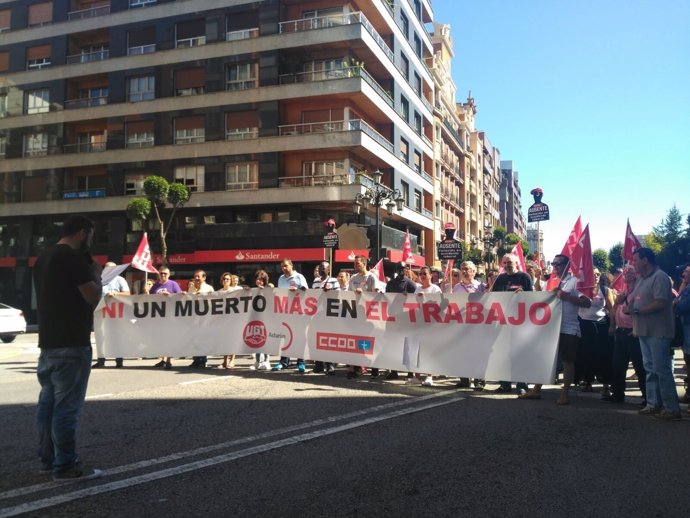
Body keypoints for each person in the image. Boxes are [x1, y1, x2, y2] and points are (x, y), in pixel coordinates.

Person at [33, 215, 103, 481]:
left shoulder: (44, 257)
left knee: (48, 405)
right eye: (91, 235)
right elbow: (92, 297)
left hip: (48, 342)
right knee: (66, 408)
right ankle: (65, 466)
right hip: (72, 342)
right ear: (83, 233)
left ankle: (46, 460)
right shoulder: (73, 259)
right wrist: (97, 274)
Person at [519, 254, 591, 405]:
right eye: (554, 263)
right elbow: (539, 297)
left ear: (567, 265)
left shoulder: (575, 282)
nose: (556, 266)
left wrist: (567, 297)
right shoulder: (552, 282)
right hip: (550, 328)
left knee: (567, 362)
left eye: (559, 264)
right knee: (544, 358)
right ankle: (536, 389)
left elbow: (587, 303)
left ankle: (564, 394)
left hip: (568, 328)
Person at [628, 248, 681, 420]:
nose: (633, 264)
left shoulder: (660, 277)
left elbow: (660, 303)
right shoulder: (641, 279)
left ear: (645, 260)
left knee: (661, 369)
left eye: (635, 260)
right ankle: (653, 404)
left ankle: (671, 408)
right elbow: (634, 300)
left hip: (658, 331)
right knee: (650, 369)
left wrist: (639, 310)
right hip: (644, 330)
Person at [491, 253, 533, 394]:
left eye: (510, 262)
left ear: (516, 263)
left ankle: (522, 385)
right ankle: (505, 384)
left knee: (519, 354)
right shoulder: (500, 279)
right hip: (502, 322)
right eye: (505, 262)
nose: (508, 265)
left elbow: (533, 298)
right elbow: (494, 297)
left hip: (520, 322)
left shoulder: (524, 277)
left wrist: (524, 294)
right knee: (503, 353)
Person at [606, 266, 647, 405]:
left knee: (640, 366)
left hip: (633, 333)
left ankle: (648, 397)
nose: (627, 274)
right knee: (617, 365)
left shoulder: (638, 291)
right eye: (626, 272)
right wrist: (617, 302)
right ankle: (617, 394)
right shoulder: (624, 291)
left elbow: (640, 310)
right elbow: (614, 309)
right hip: (621, 331)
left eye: (631, 272)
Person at [576, 268, 616, 396]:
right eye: (593, 274)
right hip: (584, 324)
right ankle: (588, 382)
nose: (596, 276)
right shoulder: (580, 290)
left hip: (601, 325)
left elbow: (612, 309)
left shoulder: (605, 290)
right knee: (586, 354)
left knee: (603, 355)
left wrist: (612, 325)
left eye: (598, 274)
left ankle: (606, 384)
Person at [453, 261, 487, 390]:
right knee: (462, 352)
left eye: (467, 269)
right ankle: (464, 379)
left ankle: (479, 380)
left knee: (478, 353)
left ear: (474, 271)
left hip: (477, 325)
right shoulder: (456, 288)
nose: (465, 271)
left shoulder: (481, 287)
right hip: (461, 325)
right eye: (463, 269)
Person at [273, 259, 308, 373]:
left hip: (298, 313)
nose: (284, 268)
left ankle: (301, 363)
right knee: (285, 337)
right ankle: (283, 362)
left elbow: (306, 292)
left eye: (286, 266)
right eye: (282, 266)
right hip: (285, 313)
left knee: (299, 337)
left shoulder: (299, 277)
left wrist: (297, 290)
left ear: (291, 265)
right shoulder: (281, 278)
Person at [93, 261, 130, 368]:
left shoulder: (120, 280)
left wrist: (115, 294)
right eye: (107, 268)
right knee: (101, 335)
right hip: (101, 312)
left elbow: (127, 294)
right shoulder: (100, 279)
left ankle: (119, 360)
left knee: (116, 335)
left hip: (116, 314)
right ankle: (101, 360)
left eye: (112, 269)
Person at [384, 263, 418, 380]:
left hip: (406, 318)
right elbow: (385, 298)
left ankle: (410, 372)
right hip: (393, 317)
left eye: (403, 269)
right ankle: (393, 370)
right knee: (393, 344)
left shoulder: (410, 283)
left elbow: (416, 298)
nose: (401, 271)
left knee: (407, 345)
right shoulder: (390, 283)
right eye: (399, 269)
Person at [347, 255, 378, 379]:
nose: (355, 265)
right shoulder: (353, 278)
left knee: (370, 341)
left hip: (369, 314)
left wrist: (364, 294)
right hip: (355, 314)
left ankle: (374, 367)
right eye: (354, 263)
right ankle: (357, 367)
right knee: (356, 340)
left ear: (364, 264)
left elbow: (376, 295)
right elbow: (348, 293)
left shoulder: (371, 277)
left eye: (357, 263)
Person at [413, 266, 442, 386]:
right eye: (420, 274)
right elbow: (413, 304)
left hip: (431, 324)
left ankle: (429, 376)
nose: (422, 276)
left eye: (425, 273)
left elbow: (440, 305)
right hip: (418, 323)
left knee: (429, 350)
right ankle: (417, 377)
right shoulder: (417, 288)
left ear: (431, 275)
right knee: (418, 350)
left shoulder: (435, 289)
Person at [150, 266, 182, 369]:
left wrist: (170, 295)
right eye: (161, 273)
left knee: (169, 338)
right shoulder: (155, 286)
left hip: (170, 316)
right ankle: (163, 359)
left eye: (165, 273)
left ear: (169, 275)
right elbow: (149, 300)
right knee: (161, 339)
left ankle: (169, 360)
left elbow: (180, 297)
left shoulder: (173, 284)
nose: (163, 275)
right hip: (159, 317)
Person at [312, 261, 338, 374]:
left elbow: (339, 295)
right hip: (318, 315)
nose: (322, 269)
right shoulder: (315, 281)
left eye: (324, 268)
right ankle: (318, 364)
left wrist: (330, 292)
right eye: (321, 267)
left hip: (330, 315)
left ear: (329, 270)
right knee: (317, 339)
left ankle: (330, 365)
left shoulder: (334, 281)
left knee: (329, 340)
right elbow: (312, 296)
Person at [187, 269, 214, 368]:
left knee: (203, 339)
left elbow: (213, 302)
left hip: (204, 318)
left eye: (199, 276)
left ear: (204, 277)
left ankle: (203, 360)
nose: (197, 278)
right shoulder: (191, 288)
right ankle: (196, 360)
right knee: (195, 339)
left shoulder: (209, 288)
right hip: (194, 318)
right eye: (195, 276)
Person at [216, 272, 243, 369]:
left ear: (230, 281)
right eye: (224, 279)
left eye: (227, 279)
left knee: (232, 340)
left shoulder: (235, 291)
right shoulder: (219, 292)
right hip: (223, 319)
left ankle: (232, 360)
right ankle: (224, 361)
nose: (226, 281)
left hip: (233, 319)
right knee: (224, 341)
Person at [249, 270, 273, 370]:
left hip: (267, 318)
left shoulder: (269, 288)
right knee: (257, 339)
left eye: (261, 280)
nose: (259, 282)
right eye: (257, 279)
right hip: (256, 318)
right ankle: (258, 361)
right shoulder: (253, 290)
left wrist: (265, 290)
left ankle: (267, 361)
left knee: (265, 339)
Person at [674, 263, 690, 410]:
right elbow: (678, 300)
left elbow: (681, 305)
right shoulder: (687, 287)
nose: (684, 274)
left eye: (686, 272)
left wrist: (678, 302)